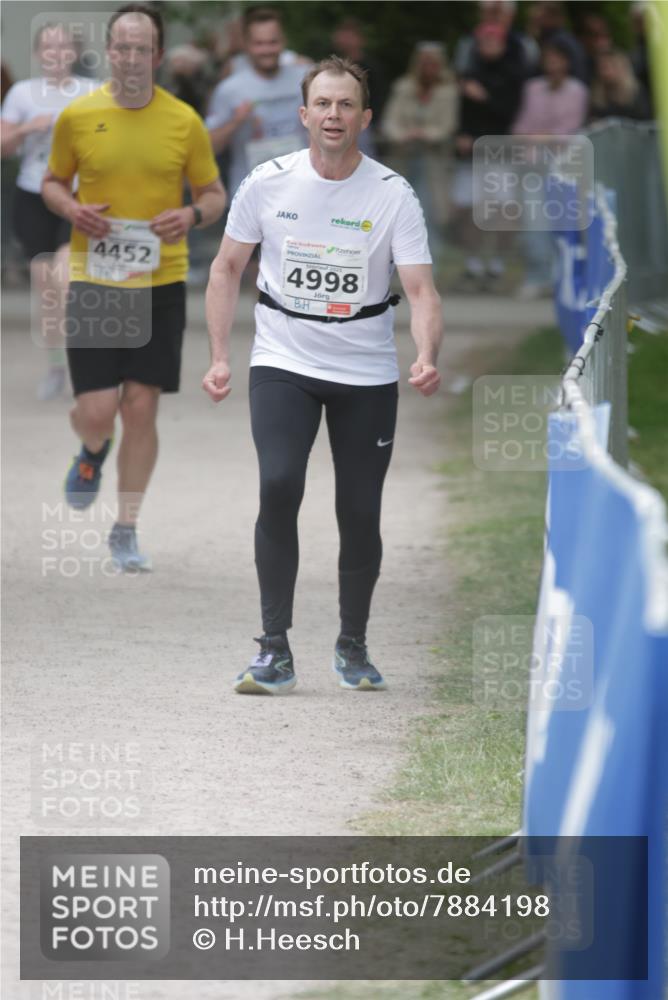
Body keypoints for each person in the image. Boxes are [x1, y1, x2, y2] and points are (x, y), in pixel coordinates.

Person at [202, 55, 443, 695]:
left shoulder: (393, 194)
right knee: (279, 483)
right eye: (323, 105)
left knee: (359, 510)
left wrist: (425, 355)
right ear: (304, 114)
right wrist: (221, 356)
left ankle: (352, 645)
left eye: (346, 106)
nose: (334, 115)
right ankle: (273, 649)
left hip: (364, 368)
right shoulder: (267, 182)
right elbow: (226, 269)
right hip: (284, 358)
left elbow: (420, 289)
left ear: (364, 117)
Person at [42, 3, 225, 571]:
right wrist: (72, 207)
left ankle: (125, 528)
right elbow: (51, 183)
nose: (129, 57)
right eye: (120, 46)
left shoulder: (183, 121)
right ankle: (93, 449)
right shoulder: (78, 116)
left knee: (140, 407)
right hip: (96, 279)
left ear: (158, 56)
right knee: (98, 411)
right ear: (109, 50)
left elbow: (215, 194)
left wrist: (191, 217)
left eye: (140, 48)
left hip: (159, 280)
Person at [1, 23, 98, 400]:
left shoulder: (93, 93)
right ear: (38, 54)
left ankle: (81, 363)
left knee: (66, 277)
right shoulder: (23, 94)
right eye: (48, 47)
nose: (56, 54)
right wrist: (27, 129)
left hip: (77, 197)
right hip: (33, 196)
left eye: (63, 47)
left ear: (74, 53)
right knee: (45, 285)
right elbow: (3, 145)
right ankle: (57, 366)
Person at [512, 38, 588, 299]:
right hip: (533, 162)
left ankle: (562, 277)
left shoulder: (577, 90)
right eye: (549, 58)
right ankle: (538, 275)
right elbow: (522, 125)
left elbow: (570, 128)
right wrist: (534, 137)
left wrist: (545, 136)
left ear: (567, 62)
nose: (552, 63)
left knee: (563, 218)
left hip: (563, 165)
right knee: (534, 219)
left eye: (557, 58)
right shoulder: (533, 88)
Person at [205, 6, 309, 198]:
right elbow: (206, 147)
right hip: (250, 196)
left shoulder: (306, 79)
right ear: (246, 44)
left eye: (272, 42)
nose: (266, 50)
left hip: (303, 190)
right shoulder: (229, 89)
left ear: (283, 41)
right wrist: (235, 122)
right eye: (259, 43)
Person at [451, 22, 524, 289]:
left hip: (500, 151)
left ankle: (497, 263)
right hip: (471, 155)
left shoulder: (513, 74)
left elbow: (510, 113)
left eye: (492, 42)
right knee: (468, 207)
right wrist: (461, 134)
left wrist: (484, 97)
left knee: (502, 208)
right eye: (483, 43)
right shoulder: (470, 71)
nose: (487, 47)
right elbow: (462, 111)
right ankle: (472, 263)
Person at [381, 42, 457, 259]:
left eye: (433, 63)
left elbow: (447, 126)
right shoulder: (403, 87)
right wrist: (402, 135)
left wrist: (424, 134)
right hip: (402, 159)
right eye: (424, 63)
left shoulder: (448, 91)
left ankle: (430, 266)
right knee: (398, 213)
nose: (428, 67)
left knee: (429, 214)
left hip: (434, 163)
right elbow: (390, 120)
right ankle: (396, 265)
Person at [588, 47, 652, 123]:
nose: (604, 71)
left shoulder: (637, 92)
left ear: (622, 67)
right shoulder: (597, 93)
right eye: (601, 67)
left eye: (609, 66)